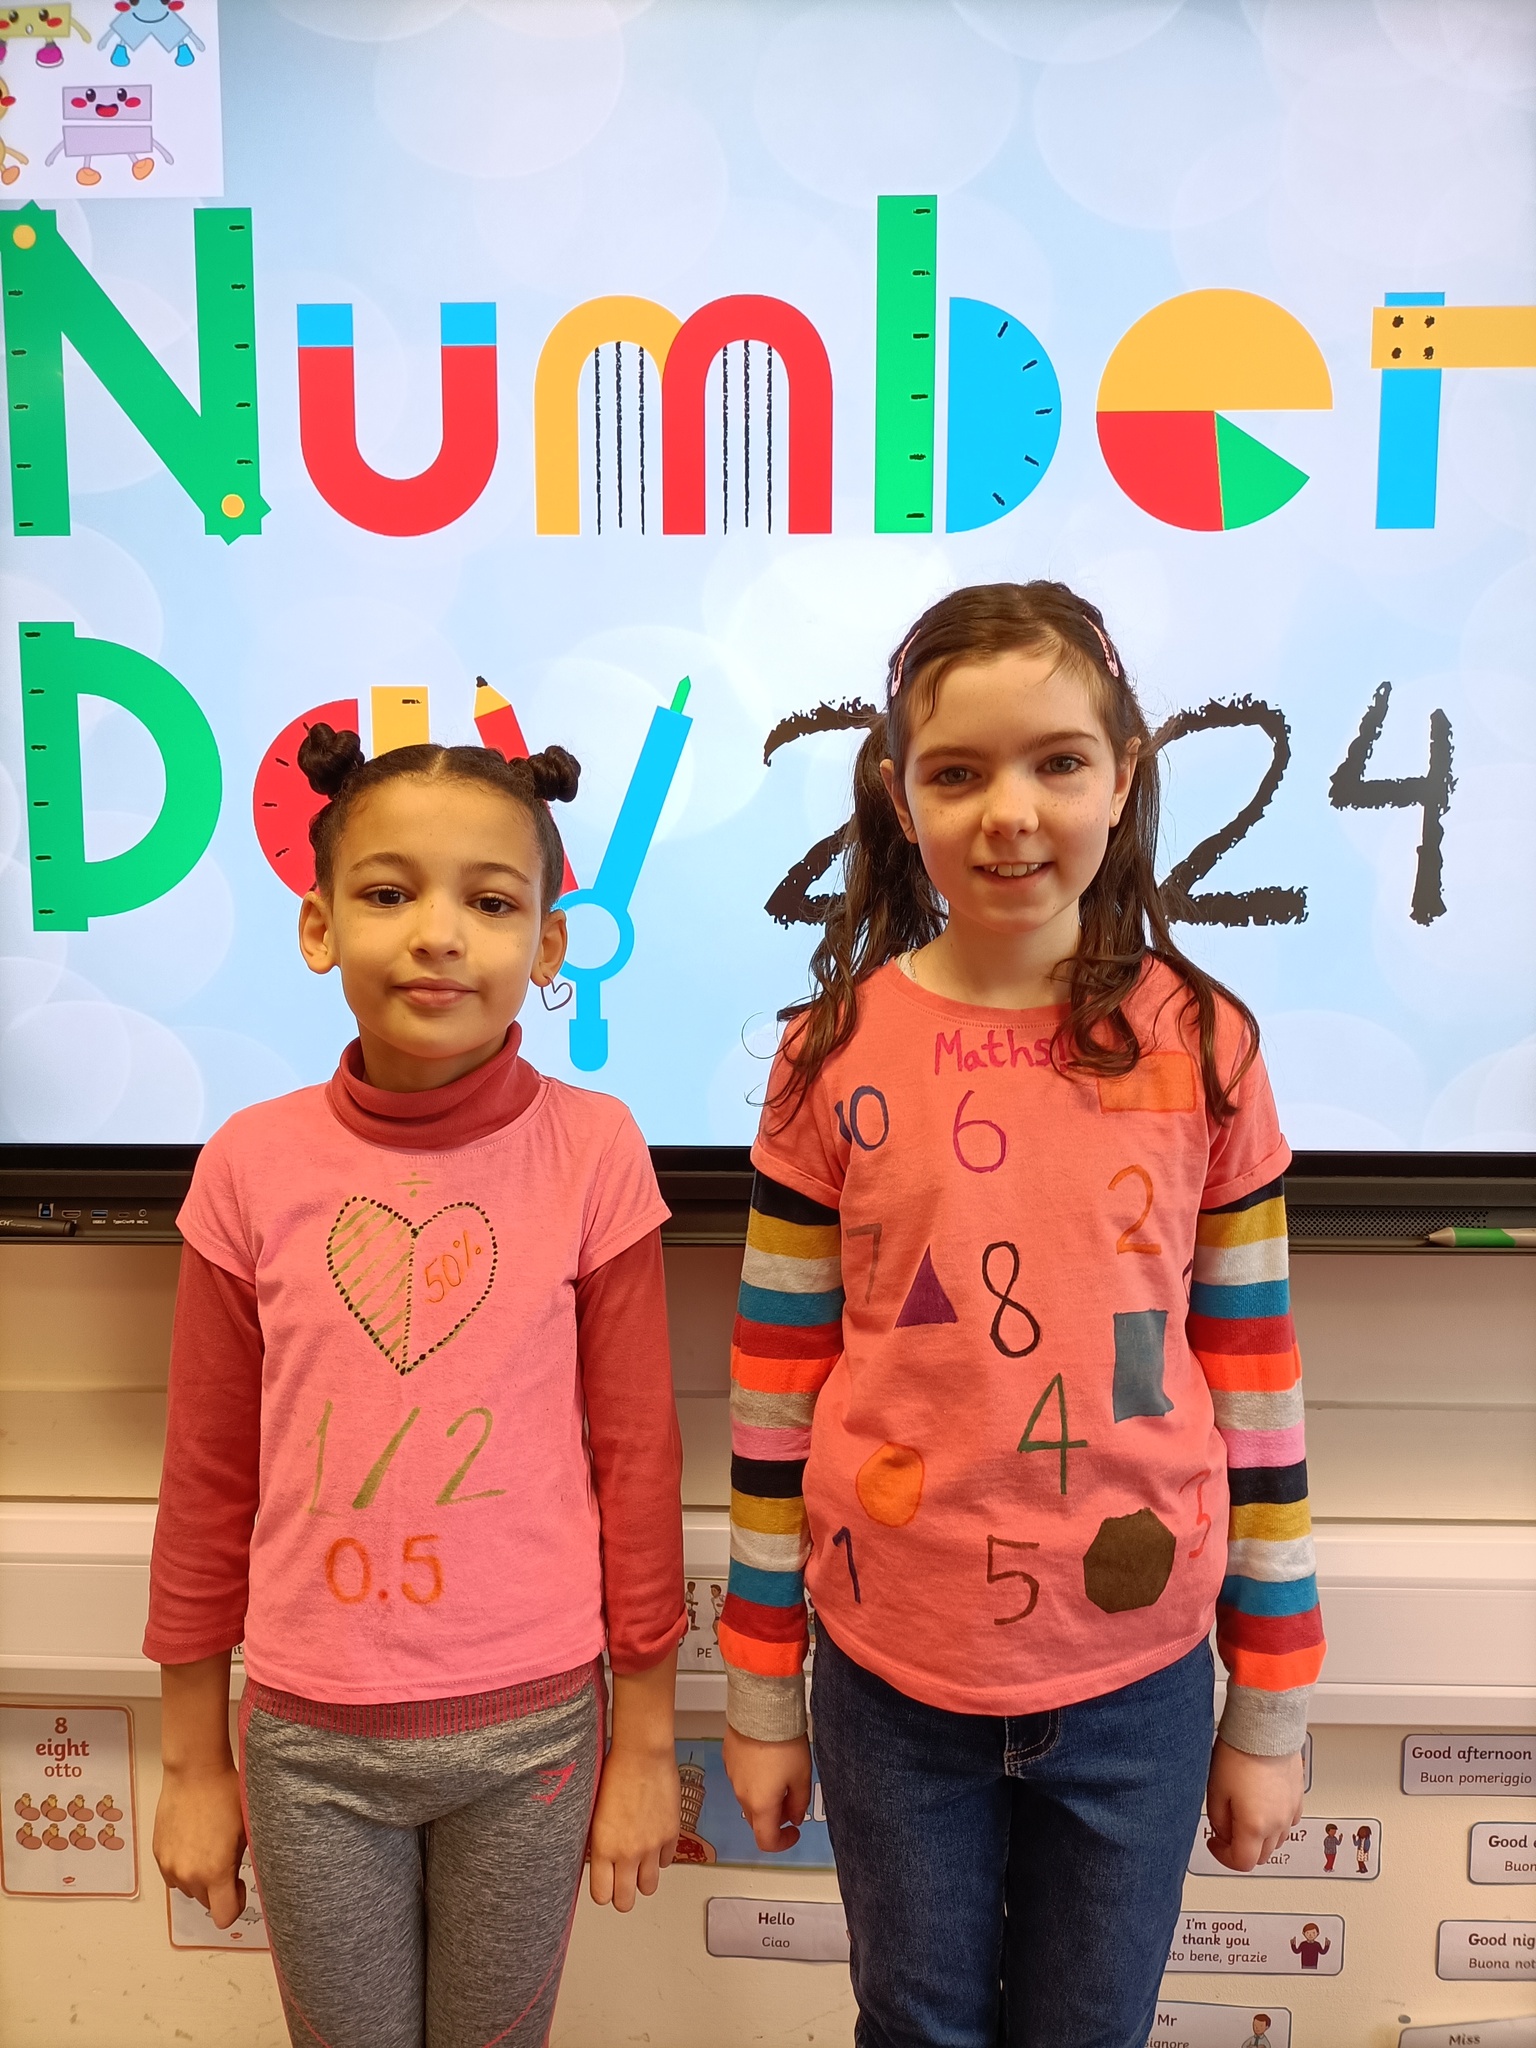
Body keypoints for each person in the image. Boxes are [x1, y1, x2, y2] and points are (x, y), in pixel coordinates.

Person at [719, 583, 1324, 2048]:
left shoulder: (1205, 1045)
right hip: (890, 1684)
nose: (1010, 813)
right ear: (898, 793)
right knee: (914, 2025)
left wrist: (1268, 1710)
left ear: (1125, 774)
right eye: (957, 771)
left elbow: (1257, 1393)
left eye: (1058, 761)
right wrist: (760, 1692)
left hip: (1141, 1682)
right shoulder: (828, 1056)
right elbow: (771, 1400)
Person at [145, 731, 686, 2048]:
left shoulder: (595, 1151)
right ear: (318, 927)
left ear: (549, 946)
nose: (439, 934)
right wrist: (193, 1759)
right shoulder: (247, 1165)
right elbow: (207, 1476)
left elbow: (638, 1461)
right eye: (390, 893)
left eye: (491, 903)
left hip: (534, 1733)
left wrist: (646, 1744)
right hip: (308, 1744)